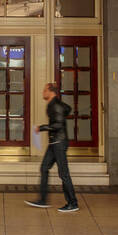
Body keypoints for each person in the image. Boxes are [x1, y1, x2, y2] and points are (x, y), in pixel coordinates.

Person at [27, 82, 79, 212]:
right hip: (54, 143)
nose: (43, 92)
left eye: (45, 90)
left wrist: (42, 128)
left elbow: (58, 125)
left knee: (63, 173)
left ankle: (73, 203)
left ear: (51, 92)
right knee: (44, 168)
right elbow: (67, 108)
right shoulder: (54, 104)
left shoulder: (55, 106)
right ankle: (43, 200)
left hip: (59, 143)